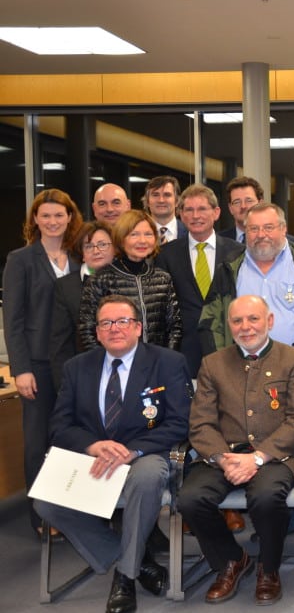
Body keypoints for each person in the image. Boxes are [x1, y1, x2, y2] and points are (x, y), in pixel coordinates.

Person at [35, 295, 191, 613]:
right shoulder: (77, 367)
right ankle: (135, 559)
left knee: (147, 478)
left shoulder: (168, 362)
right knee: (45, 501)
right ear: (97, 331)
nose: (114, 329)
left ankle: (125, 578)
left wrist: (133, 450)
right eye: (106, 323)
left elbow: (181, 422)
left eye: (122, 321)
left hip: (146, 453)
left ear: (137, 327)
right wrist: (92, 446)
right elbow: (59, 424)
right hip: (95, 457)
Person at [178, 295, 294, 605]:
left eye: (253, 319)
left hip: (275, 456)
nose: (245, 327)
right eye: (238, 321)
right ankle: (231, 559)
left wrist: (257, 457)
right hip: (224, 455)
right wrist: (223, 459)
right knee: (190, 498)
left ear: (269, 321)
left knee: (266, 496)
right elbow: (201, 423)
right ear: (229, 326)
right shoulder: (213, 363)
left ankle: (269, 567)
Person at [3, 188, 83, 537]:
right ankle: (42, 517)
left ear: (70, 218)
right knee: (39, 442)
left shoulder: (79, 257)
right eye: (45, 215)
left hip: (75, 362)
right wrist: (21, 369)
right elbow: (14, 319)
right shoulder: (20, 259)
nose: (52, 221)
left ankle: (75, 510)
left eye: (59, 215)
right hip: (36, 364)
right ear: (35, 219)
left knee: (72, 440)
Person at [199, 201, 294, 386]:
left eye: (268, 227)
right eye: (253, 229)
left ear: (283, 229)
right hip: (241, 376)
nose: (261, 235)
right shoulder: (228, 268)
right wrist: (228, 362)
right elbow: (209, 321)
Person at [154, 184, 245, 378]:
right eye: (189, 209)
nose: (196, 216)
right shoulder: (166, 254)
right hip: (184, 349)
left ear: (216, 212)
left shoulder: (237, 252)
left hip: (228, 344)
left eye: (202, 209)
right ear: (181, 214)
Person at [79, 209, 182, 351]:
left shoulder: (163, 278)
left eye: (148, 234)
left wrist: (165, 360)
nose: (142, 240)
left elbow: (175, 327)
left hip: (157, 363)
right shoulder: (100, 280)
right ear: (121, 238)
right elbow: (87, 331)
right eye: (134, 234)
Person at [51, 221, 115, 392]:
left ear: (115, 248)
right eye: (89, 246)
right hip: (84, 377)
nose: (96, 251)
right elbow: (60, 343)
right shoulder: (65, 286)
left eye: (102, 244)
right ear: (82, 253)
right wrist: (64, 386)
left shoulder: (128, 280)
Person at [219, 176, 263, 243]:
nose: (243, 206)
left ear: (260, 204)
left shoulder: (275, 238)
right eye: (237, 202)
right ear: (230, 208)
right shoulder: (218, 241)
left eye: (249, 200)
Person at [142, 175, 185, 243]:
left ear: (177, 201)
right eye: (155, 195)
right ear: (147, 201)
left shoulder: (191, 232)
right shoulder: (135, 232)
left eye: (167, 195)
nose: (161, 200)